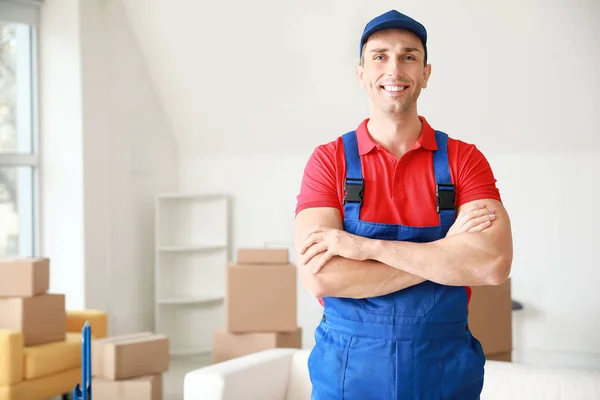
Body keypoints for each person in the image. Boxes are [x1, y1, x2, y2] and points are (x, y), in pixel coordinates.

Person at [293, 9, 513, 400]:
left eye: (409, 56)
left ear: (426, 73)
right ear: (360, 73)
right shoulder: (330, 161)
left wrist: (366, 249)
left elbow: (492, 265)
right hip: (348, 373)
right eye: (379, 56)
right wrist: (444, 256)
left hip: (443, 371)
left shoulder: (464, 160)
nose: (394, 69)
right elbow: (321, 277)